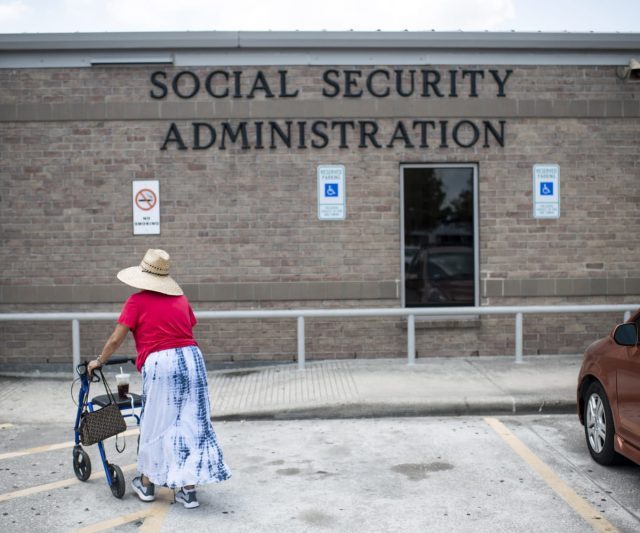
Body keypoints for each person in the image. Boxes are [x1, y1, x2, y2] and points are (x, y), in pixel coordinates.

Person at [88, 249, 231, 508]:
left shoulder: (136, 301)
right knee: (190, 422)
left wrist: (99, 360)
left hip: (162, 362)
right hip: (192, 360)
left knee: (155, 422)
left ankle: (146, 484)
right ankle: (188, 490)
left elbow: (116, 339)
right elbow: (186, 329)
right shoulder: (180, 299)